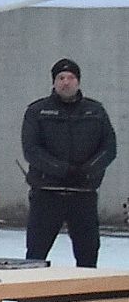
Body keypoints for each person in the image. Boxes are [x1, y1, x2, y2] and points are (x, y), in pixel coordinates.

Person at [23, 57, 117, 268]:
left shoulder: (96, 111)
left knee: (88, 255)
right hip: (47, 194)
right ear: (54, 82)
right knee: (35, 256)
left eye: (71, 77)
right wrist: (63, 170)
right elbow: (31, 150)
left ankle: (84, 299)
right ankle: (29, 300)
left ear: (78, 82)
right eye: (61, 77)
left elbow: (109, 149)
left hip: (83, 196)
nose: (66, 82)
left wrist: (87, 171)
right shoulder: (37, 112)